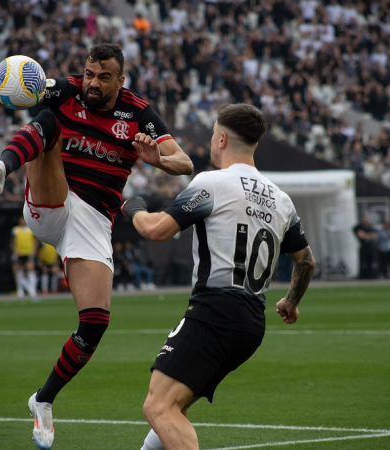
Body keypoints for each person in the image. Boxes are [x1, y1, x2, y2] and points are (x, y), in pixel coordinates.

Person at [0, 43, 193, 449]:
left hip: (94, 219)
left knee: (95, 323)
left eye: (104, 77)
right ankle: (0, 168)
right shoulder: (67, 90)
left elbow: (184, 161)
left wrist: (156, 158)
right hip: (51, 202)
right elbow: (18, 83)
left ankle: (42, 400)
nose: (93, 83)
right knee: (49, 120)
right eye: (90, 74)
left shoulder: (138, 113)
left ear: (120, 80)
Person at [120, 104, 315, 450]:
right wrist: (291, 301)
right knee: (172, 407)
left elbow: (157, 231)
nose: (212, 142)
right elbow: (307, 262)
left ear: (221, 138)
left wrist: (131, 206)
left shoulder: (211, 183)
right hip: (252, 323)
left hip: (215, 312)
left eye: (213, 135)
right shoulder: (281, 200)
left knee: (159, 406)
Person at [10, 217, 38, 298]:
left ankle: (32, 289)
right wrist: (14, 250)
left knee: (30, 269)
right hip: (19, 253)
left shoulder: (31, 229)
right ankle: (20, 290)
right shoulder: (15, 230)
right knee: (19, 271)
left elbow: (35, 241)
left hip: (28, 252)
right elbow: (12, 242)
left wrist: (34, 251)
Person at [353, 214, 377, 279]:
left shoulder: (371, 227)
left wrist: (366, 235)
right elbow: (361, 235)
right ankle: (363, 275)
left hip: (371, 247)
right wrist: (369, 236)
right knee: (363, 262)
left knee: (371, 261)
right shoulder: (359, 227)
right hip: (363, 247)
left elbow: (374, 236)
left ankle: (371, 275)